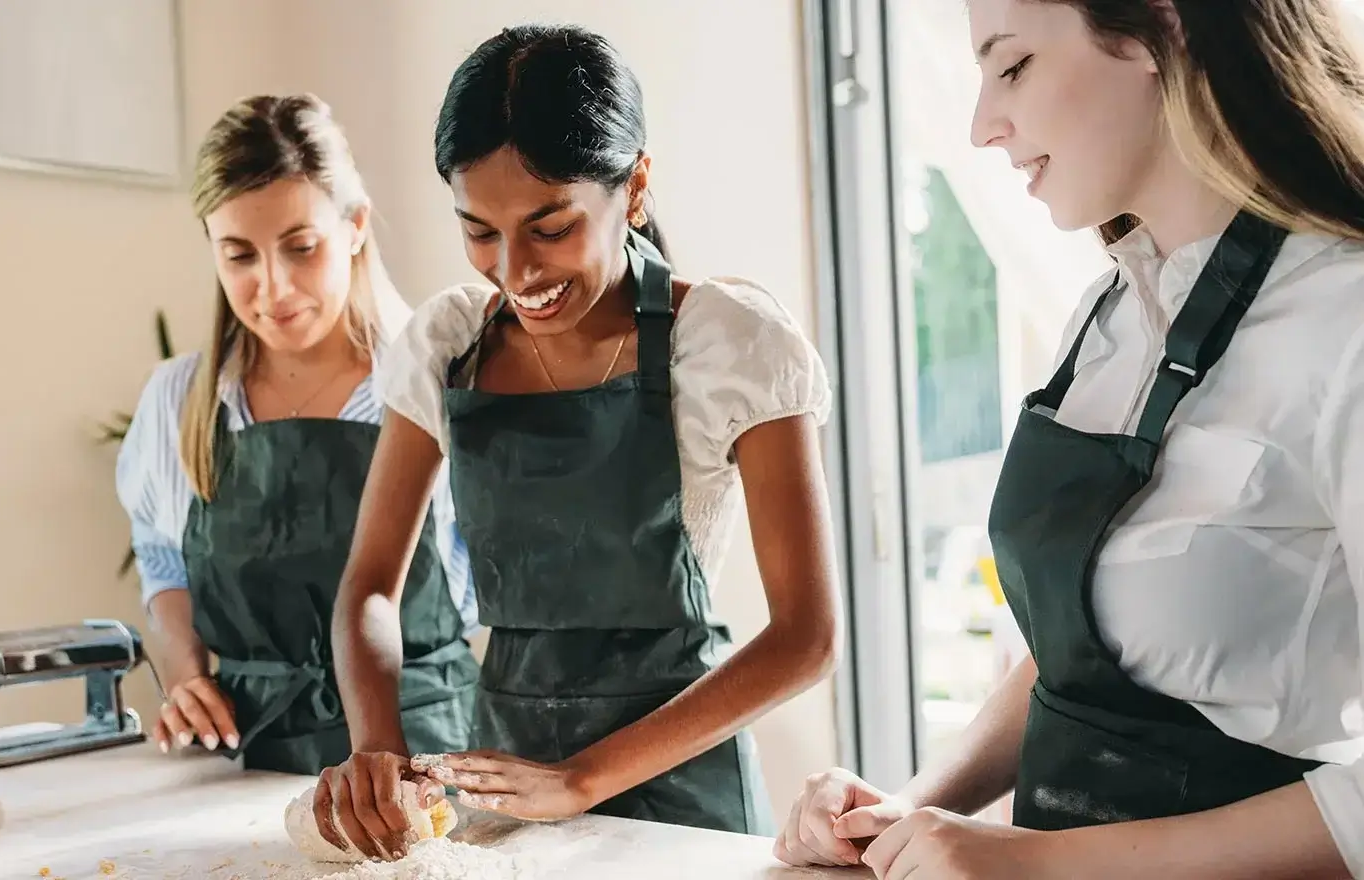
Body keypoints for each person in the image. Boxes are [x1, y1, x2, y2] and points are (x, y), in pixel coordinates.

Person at [776, 1, 1364, 877]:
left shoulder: (1343, 323)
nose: (981, 125)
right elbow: (1091, 644)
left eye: (1010, 67)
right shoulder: (1109, 316)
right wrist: (907, 808)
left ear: (1159, 29)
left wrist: (1041, 865)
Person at [309, 24, 841, 860]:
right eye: (479, 230)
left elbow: (805, 638)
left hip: (678, 792)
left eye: (549, 226)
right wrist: (376, 747)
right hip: (499, 788)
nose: (514, 271)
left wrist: (582, 779)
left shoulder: (731, 344)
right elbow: (370, 588)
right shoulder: (446, 345)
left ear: (633, 189)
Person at [115, 94, 480, 776]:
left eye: (300, 247)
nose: (272, 287)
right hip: (245, 761)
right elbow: (161, 557)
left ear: (355, 227)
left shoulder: (439, 380)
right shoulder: (180, 401)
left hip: (426, 756)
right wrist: (187, 676)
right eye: (239, 256)